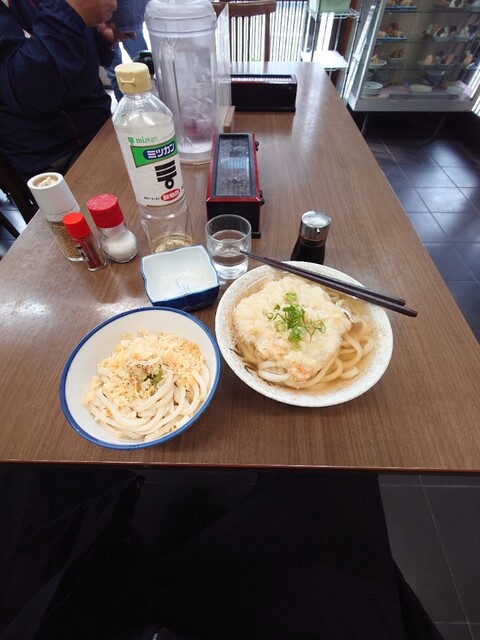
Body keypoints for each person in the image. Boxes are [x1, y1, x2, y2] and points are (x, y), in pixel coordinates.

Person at [0, 0, 117, 178]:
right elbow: (33, 94)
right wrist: (73, 12)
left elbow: (80, 61)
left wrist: (102, 37)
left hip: (102, 127)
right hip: (53, 158)